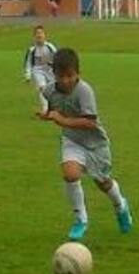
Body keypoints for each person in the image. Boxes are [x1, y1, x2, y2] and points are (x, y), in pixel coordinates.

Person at [38, 48, 133, 241]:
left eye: (70, 75)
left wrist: (62, 120)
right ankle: (80, 219)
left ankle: (120, 205)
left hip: (95, 144)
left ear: (78, 73)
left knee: (103, 183)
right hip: (72, 141)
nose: (66, 80)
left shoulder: (84, 91)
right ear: (54, 74)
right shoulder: (49, 90)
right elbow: (52, 108)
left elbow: (90, 122)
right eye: (61, 76)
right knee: (70, 174)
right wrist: (46, 115)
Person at [23, 25, 57, 113]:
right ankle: (45, 109)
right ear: (34, 36)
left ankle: (53, 108)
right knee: (42, 88)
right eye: (37, 33)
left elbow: (57, 58)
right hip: (37, 71)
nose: (39, 35)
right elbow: (28, 63)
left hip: (50, 71)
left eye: (41, 33)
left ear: (45, 35)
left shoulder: (50, 47)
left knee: (52, 89)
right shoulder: (32, 49)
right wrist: (28, 75)